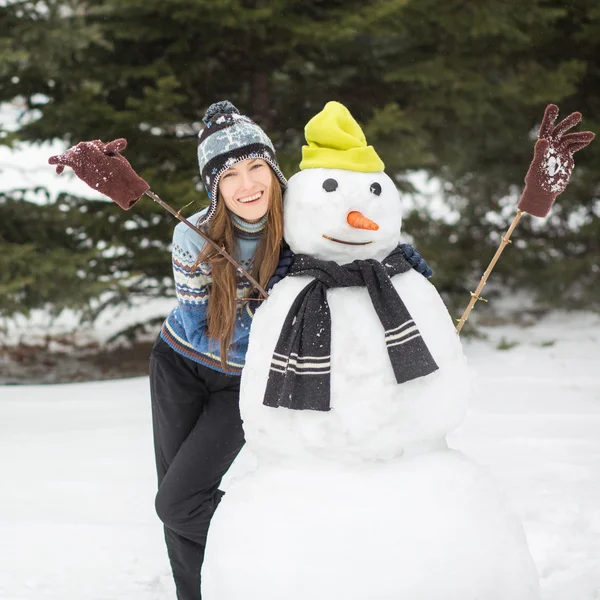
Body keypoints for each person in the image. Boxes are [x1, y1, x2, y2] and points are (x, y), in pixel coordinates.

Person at [148, 100, 433, 600]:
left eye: (255, 165)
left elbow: (361, 256)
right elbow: (201, 330)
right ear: (213, 185)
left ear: (274, 168)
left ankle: (276, 551)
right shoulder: (191, 236)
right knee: (177, 503)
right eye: (229, 174)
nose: (246, 184)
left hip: (245, 381)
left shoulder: (302, 229)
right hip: (179, 364)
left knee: (177, 503)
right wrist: (268, 305)